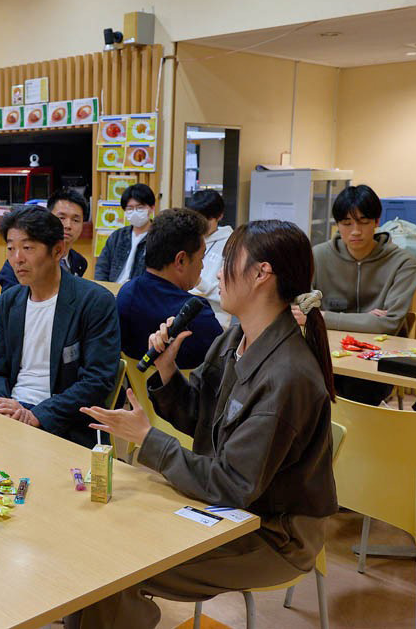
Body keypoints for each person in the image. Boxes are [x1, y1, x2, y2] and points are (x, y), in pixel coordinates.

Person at [72, 220, 337, 629]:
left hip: (272, 534)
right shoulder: (235, 337)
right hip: (226, 506)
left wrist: (147, 438)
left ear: (261, 274)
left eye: (227, 261)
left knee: (120, 572)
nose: (216, 273)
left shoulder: (288, 376)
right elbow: (200, 416)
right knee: (103, 542)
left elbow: (233, 484)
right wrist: (167, 371)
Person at [0, 205, 120, 448]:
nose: (17, 259)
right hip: (11, 414)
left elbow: (97, 381)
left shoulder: (94, 302)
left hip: (64, 422)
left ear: (58, 251)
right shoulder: (9, 302)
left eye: (28, 248)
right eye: (11, 248)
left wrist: (37, 415)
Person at [299, 184, 416, 406]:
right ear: (337, 225)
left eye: (363, 222)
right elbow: (301, 311)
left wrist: (323, 317)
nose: (355, 231)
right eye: (347, 223)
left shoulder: (403, 263)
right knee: (301, 381)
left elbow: (389, 324)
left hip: (376, 359)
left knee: (357, 392)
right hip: (327, 353)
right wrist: (367, 320)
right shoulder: (317, 256)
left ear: (376, 221)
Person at [116, 208, 222, 369]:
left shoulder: (126, 294)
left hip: (135, 384)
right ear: (181, 260)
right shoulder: (195, 313)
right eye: (201, 258)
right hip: (178, 386)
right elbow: (224, 368)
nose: (202, 266)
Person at [0, 189, 89, 290]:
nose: (68, 225)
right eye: (61, 218)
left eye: (75, 220)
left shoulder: (79, 262)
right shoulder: (17, 265)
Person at [185, 189, 232, 328]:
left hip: (215, 319)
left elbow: (230, 295)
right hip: (184, 311)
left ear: (220, 216)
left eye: (206, 220)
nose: (200, 225)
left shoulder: (230, 243)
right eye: (196, 219)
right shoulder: (189, 238)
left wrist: (199, 283)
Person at [94, 183, 154, 284]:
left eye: (140, 207)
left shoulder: (158, 238)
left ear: (152, 208)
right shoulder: (117, 237)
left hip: (139, 291)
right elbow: (101, 268)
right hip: (112, 289)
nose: (134, 212)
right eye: (130, 208)